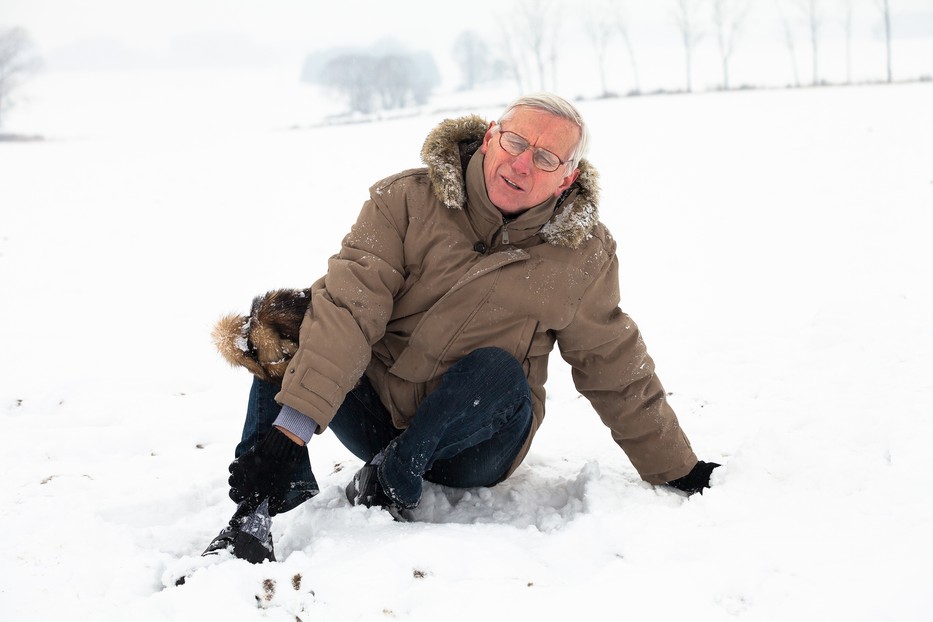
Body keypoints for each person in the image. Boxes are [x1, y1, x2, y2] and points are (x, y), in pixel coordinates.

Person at [204, 93, 720, 562]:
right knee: (291, 323)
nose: (522, 164)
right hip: (375, 413)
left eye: (546, 158)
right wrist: (290, 433)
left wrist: (675, 465)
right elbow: (349, 310)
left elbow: (611, 360)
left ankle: (390, 478)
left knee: (496, 369)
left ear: (568, 177)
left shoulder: (582, 254)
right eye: (516, 142)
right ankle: (254, 511)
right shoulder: (405, 202)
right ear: (492, 136)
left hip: (476, 441)